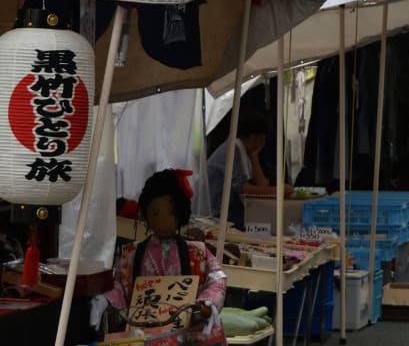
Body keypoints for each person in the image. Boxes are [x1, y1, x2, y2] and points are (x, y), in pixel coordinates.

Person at [92, 168, 227, 328]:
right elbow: (120, 285)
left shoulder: (197, 252)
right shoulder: (132, 254)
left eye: (170, 213)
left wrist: (208, 301)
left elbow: (217, 278)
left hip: (185, 332)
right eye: (156, 213)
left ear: (180, 213)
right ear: (146, 214)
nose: (163, 220)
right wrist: (107, 299)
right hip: (142, 331)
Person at [206, 108, 295, 230]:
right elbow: (243, 189)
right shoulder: (233, 150)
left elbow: (262, 184)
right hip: (218, 214)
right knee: (267, 224)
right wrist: (278, 190)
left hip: (232, 211)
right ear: (254, 138)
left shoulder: (245, 152)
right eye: (262, 140)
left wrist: (254, 156)